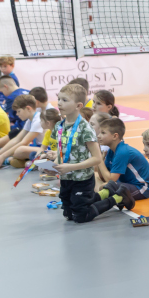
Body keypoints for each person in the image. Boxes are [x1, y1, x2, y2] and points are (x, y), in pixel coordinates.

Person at [51, 84, 108, 222]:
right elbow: (61, 152)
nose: (59, 103)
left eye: (65, 100)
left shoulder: (85, 128)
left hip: (82, 179)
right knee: (68, 215)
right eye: (59, 99)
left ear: (78, 106)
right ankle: (99, 195)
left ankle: (115, 197)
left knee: (81, 216)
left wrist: (71, 167)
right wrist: (54, 166)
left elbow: (97, 158)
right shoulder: (59, 126)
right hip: (66, 178)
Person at [97, 118, 149, 204]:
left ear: (115, 136)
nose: (98, 136)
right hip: (125, 184)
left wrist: (99, 160)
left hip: (141, 188)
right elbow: (102, 177)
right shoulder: (111, 151)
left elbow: (111, 179)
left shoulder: (122, 152)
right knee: (96, 178)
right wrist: (100, 160)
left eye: (103, 133)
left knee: (106, 186)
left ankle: (95, 203)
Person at [0, 94, 44, 169]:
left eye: (19, 111)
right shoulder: (30, 120)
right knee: (17, 152)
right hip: (38, 148)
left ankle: (35, 162)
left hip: (46, 149)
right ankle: (30, 162)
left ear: (28, 108)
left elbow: (23, 142)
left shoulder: (38, 120)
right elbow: (17, 139)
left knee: (19, 150)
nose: (17, 114)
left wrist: (2, 156)